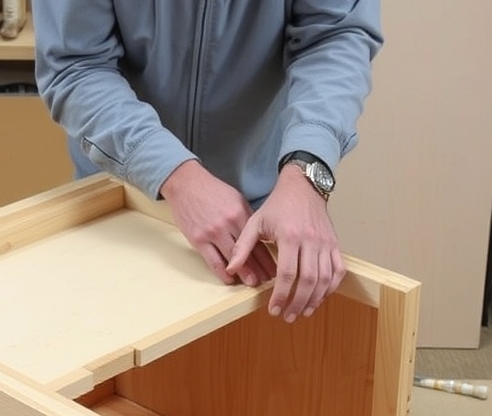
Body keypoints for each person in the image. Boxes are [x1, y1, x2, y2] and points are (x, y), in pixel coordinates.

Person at [33, 1, 382, 323]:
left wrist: (307, 170)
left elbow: (335, 36)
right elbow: (76, 65)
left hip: (257, 213)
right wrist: (173, 173)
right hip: (122, 205)